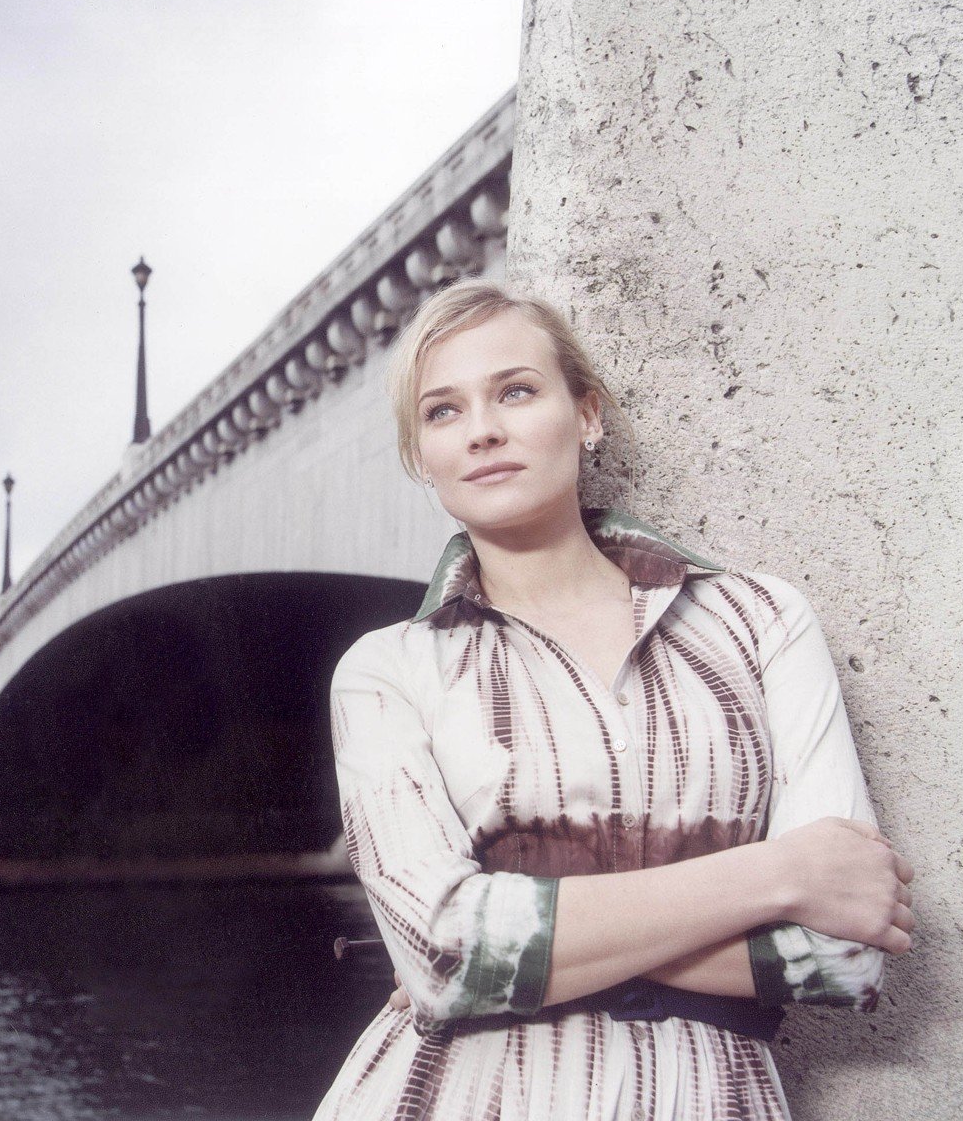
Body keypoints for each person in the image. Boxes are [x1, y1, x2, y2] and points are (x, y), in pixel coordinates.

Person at [310, 278, 915, 1119]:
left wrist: (513, 939)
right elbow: (444, 957)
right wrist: (779, 874)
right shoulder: (388, 670)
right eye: (442, 411)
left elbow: (845, 951)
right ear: (423, 457)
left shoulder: (759, 621)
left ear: (587, 414)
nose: (482, 430)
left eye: (516, 391)